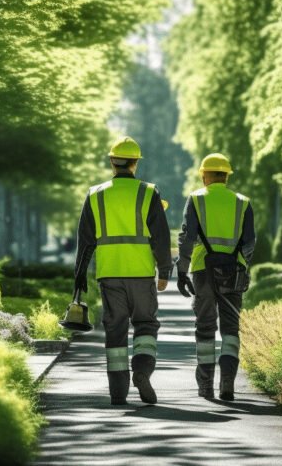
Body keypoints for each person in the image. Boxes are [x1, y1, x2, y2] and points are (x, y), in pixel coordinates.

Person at [73, 136, 172, 405]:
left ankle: (118, 393)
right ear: (135, 164)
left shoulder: (95, 194)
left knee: (115, 330)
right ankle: (141, 371)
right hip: (140, 273)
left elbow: (85, 241)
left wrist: (79, 276)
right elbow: (161, 237)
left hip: (110, 274)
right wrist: (165, 270)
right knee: (146, 324)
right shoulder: (149, 192)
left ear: (112, 162)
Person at [174, 153, 255, 400]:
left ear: (204, 175)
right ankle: (227, 383)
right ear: (227, 176)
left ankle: (206, 385)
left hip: (202, 270)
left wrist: (181, 269)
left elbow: (187, 238)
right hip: (233, 272)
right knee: (231, 328)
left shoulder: (196, 199)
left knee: (205, 326)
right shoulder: (243, 202)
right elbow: (250, 242)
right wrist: (241, 266)